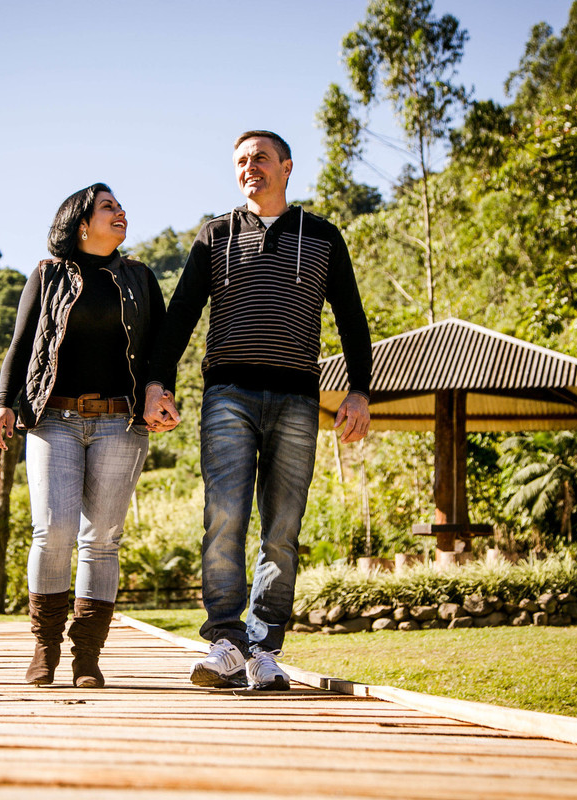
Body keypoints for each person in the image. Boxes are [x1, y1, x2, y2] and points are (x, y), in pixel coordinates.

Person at [146, 131, 372, 691]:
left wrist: (360, 391)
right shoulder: (214, 235)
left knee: (282, 531)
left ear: (286, 167)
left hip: (298, 396)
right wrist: (157, 383)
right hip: (228, 395)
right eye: (242, 161)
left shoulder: (321, 236)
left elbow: (351, 316)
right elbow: (180, 317)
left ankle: (265, 650)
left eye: (261, 159)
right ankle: (226, 643)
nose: (251, 168)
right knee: (224, 518)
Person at [0, 183, 170, 689]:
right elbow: (21, 343)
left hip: (120, 420)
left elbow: (160, 350)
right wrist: (4, 403)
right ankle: (44, 647)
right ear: (81, 223)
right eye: (108, 207)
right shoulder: (47, 275)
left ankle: (87, 656)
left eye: (120, 206)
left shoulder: (139, 277)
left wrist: (162, 392)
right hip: (54, 419)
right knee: (53, 532)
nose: (121, 212)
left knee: (103, 540)